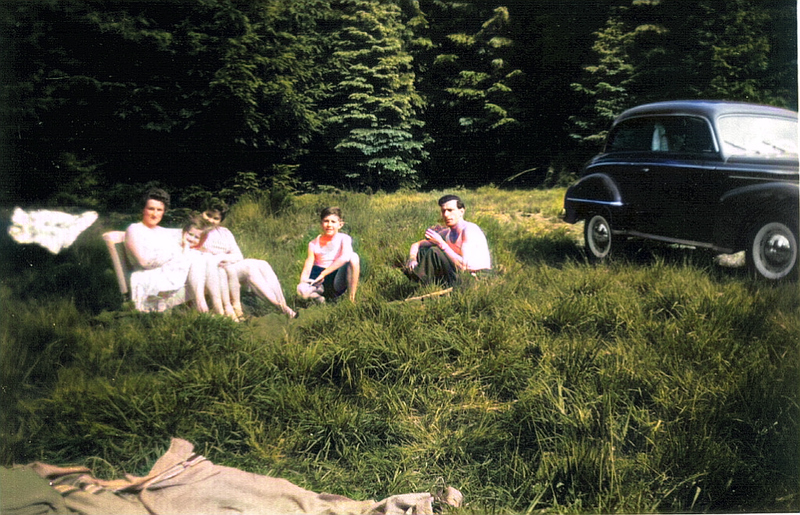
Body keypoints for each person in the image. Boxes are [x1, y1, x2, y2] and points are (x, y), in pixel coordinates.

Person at [195, 203, 297, 319]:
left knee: (263, 264)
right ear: (201, 213)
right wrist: (217, 258)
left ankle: (283, 304)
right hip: (215, 271)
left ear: (220, 220)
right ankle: (279, 307)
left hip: (229, 265)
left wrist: (222, 257)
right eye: (208, 215)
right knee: (249, 268)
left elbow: (238, 255)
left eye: (216, 218)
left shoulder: (224, 232)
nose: (211, 220)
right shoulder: (195, 231)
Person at [125, 189, 214, 313]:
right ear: (143, 209)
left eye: (159, 210)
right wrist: (175, 254)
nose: (154, 214)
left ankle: (224, 309)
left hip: (169, 272)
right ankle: (203, 307)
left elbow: (194, 237)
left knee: (205, 260)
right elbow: (144, 262)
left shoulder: (163, 231)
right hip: (150, 277)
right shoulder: (135, 229)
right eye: (151, 209)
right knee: (198, 261)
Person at [405, 194, 491, 286]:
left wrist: (441, 244)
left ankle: (417, 282)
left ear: (461, 212)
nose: (446, 215)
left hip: (476, 277)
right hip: (459, 274)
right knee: (423, 251)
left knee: (435, 251)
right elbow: (416, 245)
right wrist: (412, 259)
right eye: (443, 211)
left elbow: (465, 266)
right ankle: (421, 281)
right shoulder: (447, 233)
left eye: (450, 210)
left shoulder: (469, 230)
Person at [297, 207, 360, 303]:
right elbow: (308, 265)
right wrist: (303, 282)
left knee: (353, 257)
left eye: (333, 222)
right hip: (318, 280)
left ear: (340, 224)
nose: (329, 225)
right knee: (301, 290)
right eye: (326, 221)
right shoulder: (313, 244)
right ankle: (319, 299)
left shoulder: (344, 238)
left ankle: (351, 299)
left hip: (336, 278)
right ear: (321, 224)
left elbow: (345, 257)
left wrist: (324, 274)